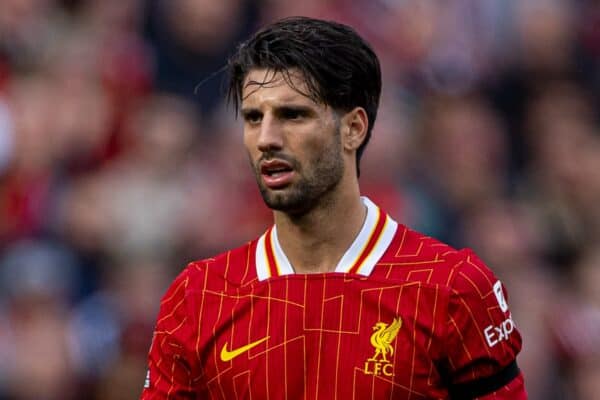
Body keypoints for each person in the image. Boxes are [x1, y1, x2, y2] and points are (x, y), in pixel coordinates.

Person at [141, 16, 527, 399]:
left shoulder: (454, 288)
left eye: (293, 115)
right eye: (254, 118)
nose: (266, 139)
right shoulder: (198, 297)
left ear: (354, 128)